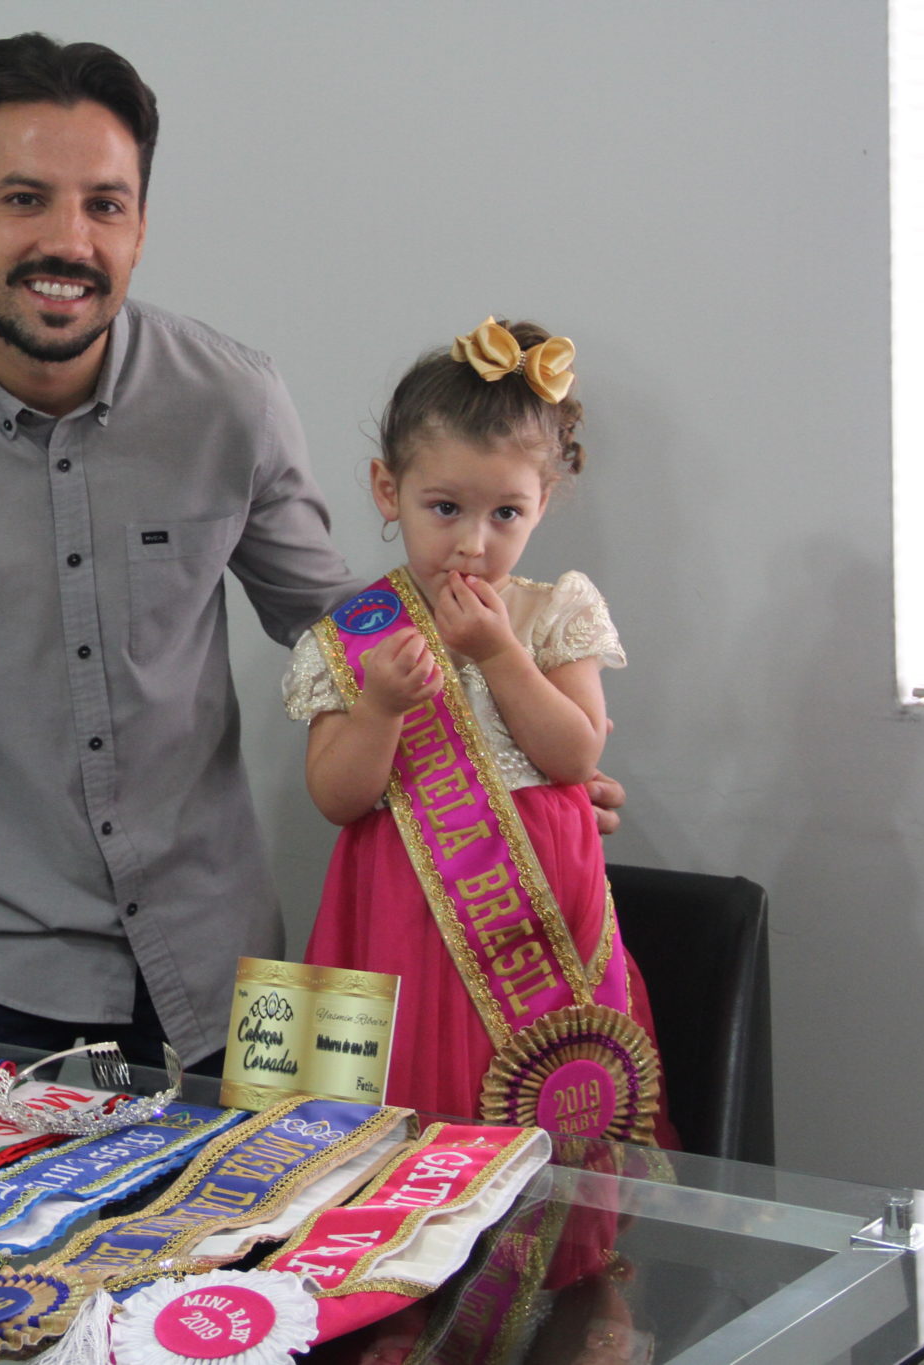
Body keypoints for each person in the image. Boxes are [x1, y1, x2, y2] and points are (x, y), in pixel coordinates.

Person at [0, 33, 357, 1069]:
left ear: (140, 229)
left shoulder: (234, 399)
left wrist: (519, 763)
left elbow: (338, 628)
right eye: (25, 199)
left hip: (235, 970)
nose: (68, 241)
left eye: (104, 205)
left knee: (311, 1184)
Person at [286, 318, 675, 1144]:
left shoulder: (554, 612)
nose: (473, 541)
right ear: (387, 491)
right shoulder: (353, 638)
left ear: (543, 504)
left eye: (506, 512)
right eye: (445, 508)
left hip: (541, 915)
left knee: (555, 1108)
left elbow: (575, 753)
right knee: (396, 1121)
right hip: (394, 917)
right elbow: (335, 798)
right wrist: (379, 708)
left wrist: (500, 653)